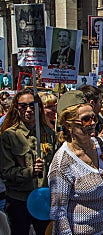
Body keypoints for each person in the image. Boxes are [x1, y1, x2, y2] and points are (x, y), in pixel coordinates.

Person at [49, 90, 103, 234]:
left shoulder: (99, 144)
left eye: (94, 118)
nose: (93, 123)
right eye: (86, 119)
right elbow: (58, 213)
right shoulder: (62, 163)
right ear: (68, 125)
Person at [0, 88, 56, 234]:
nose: (28, 109)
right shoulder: (10, 135)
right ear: (16, 108)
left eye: (32, 105)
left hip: (44, 199)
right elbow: (6, 172)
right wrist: (30, 172)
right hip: (19, 200)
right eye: (23, 106)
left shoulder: (49, 134)